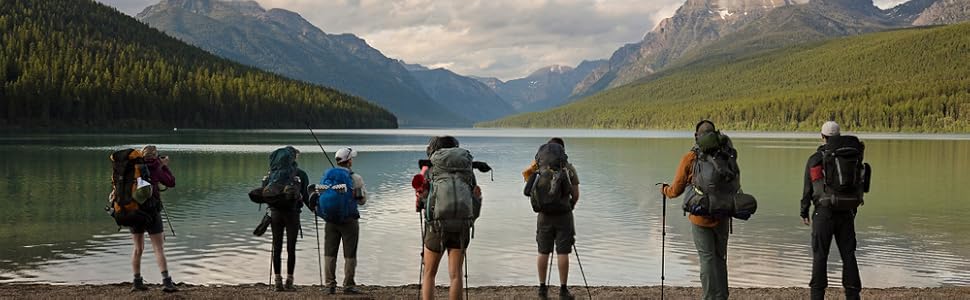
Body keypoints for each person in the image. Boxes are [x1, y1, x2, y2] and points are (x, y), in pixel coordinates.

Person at [661, 120, 732, 300]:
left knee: (706, 259)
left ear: (696, 136)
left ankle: (709, 297)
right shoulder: (726, 155)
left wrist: (665, 190)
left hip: (701, 217)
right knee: (720, 258)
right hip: (723, 214)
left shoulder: (690, 158)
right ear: (715, 134)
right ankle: (722, 297)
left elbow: (676, 189)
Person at [801, 121, 862, 300]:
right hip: (846, 212)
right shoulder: (852, 156)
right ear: (838, 136)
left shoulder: (816, 158)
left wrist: (804, 211)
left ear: (822, 136)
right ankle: (853, 295)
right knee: (848, 255)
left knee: (820, 255)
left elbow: (808, 189)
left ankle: (817, 296)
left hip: (823, 213)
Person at [418, 136, 483, 300]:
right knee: (456, 275)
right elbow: (475, 199)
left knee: (429, 274)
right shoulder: (467, 170)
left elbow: (421, 200)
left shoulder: (431, 170)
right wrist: (470, 221)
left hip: (436, 227)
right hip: (461, 226)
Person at [522, 138, 580, 300]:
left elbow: (529, 188)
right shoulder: (568, 168)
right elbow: (575, 195)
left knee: (542, 251)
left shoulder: (538, 168)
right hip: (564, 215)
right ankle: (563, 290)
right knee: (563, 252)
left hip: (543, 215)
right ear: (562, 151)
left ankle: (542, 289)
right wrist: (570, 206)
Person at [130, 145, 178, 293]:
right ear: (156, 155)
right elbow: (171, 182)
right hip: (152, 212)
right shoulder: (157, 166)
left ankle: (137, 282)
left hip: (135, 212)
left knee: (138, 248)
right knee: (158, 248)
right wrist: (164, 167)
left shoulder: (134, 167)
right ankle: (167, 282)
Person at [322, 147, 368, 294]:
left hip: (330, 220)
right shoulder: (356, 178)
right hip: (349, 220)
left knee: (330, 252)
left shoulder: (328, 176)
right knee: (350, 253)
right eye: (351, 158)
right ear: (349, 161)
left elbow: (321, 194)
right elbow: (362, 201)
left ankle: (330, 285)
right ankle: (348, 285)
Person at [264, 146, 310, 292]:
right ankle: (289, 281)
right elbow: (306, 197)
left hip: (276, 214)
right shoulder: (301, 174)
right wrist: (317, 209)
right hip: (293, 214)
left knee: (276, 248)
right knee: (291, 248)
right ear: (293, 157)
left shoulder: (271, 174)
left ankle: (277, 282)